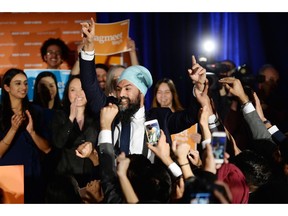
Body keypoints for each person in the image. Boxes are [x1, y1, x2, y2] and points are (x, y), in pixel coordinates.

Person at [79, 17, 205, 161]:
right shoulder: (110, 111)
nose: (121, 94)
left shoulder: (158, 120)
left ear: (141, 93)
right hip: (112, 181)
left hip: (150, 182)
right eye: (119, 89)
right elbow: (89, 84)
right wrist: (89, 45)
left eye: (128, 89)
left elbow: (190, 116)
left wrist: (199, 86)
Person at [0, 68, 51, 203]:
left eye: (25, 83)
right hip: (8, 177)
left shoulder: (37, 112)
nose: (23, 87)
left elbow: (47, 149)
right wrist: (13, 129)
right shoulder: (0, 114)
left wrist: (32, 132)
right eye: (18, 83)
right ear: (6, 87)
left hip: (33, 174)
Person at [48, 74, 100, 187]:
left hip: (91, 175)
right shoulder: (60, 115)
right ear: (67, 93)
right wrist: (71, 117)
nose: (78, 94)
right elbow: (58, 143)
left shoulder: (97, 116)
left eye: (82, 89)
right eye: (73, 90)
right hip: (66, 176)